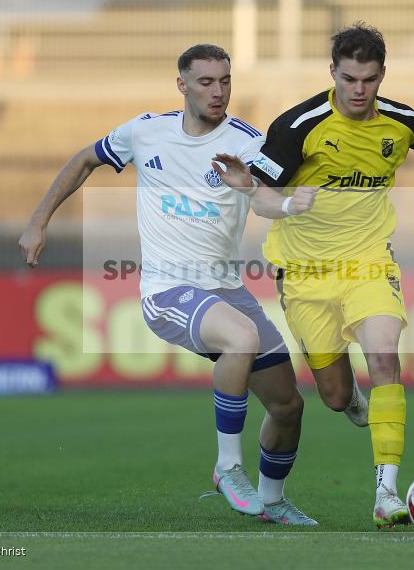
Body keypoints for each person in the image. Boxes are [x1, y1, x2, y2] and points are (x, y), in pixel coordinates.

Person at [215, 23, 414, 528]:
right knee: (334, 397)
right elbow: (258, 195)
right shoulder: (298, 126)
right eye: (350, 78)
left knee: (384, 356)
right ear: (333, 72)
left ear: (383, 76)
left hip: (369, 263)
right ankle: (353, 400)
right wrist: (290, 202)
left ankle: (386, 493)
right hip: (306, 273)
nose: (359, 90)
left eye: (370, 79)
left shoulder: (399, 121)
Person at [18, 44, 319, 526]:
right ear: (182, 85)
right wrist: (38, 221)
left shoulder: (247, 142)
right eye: (205, 82)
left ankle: (273, 501)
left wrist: (276, 200)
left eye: (224, 81)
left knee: (287, 405)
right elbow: (83, 160)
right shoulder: (145, 132)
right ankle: (227, 467)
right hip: (166, 291)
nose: (217, 91)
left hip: (227, 290)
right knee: (239, 338)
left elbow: (264, 201)